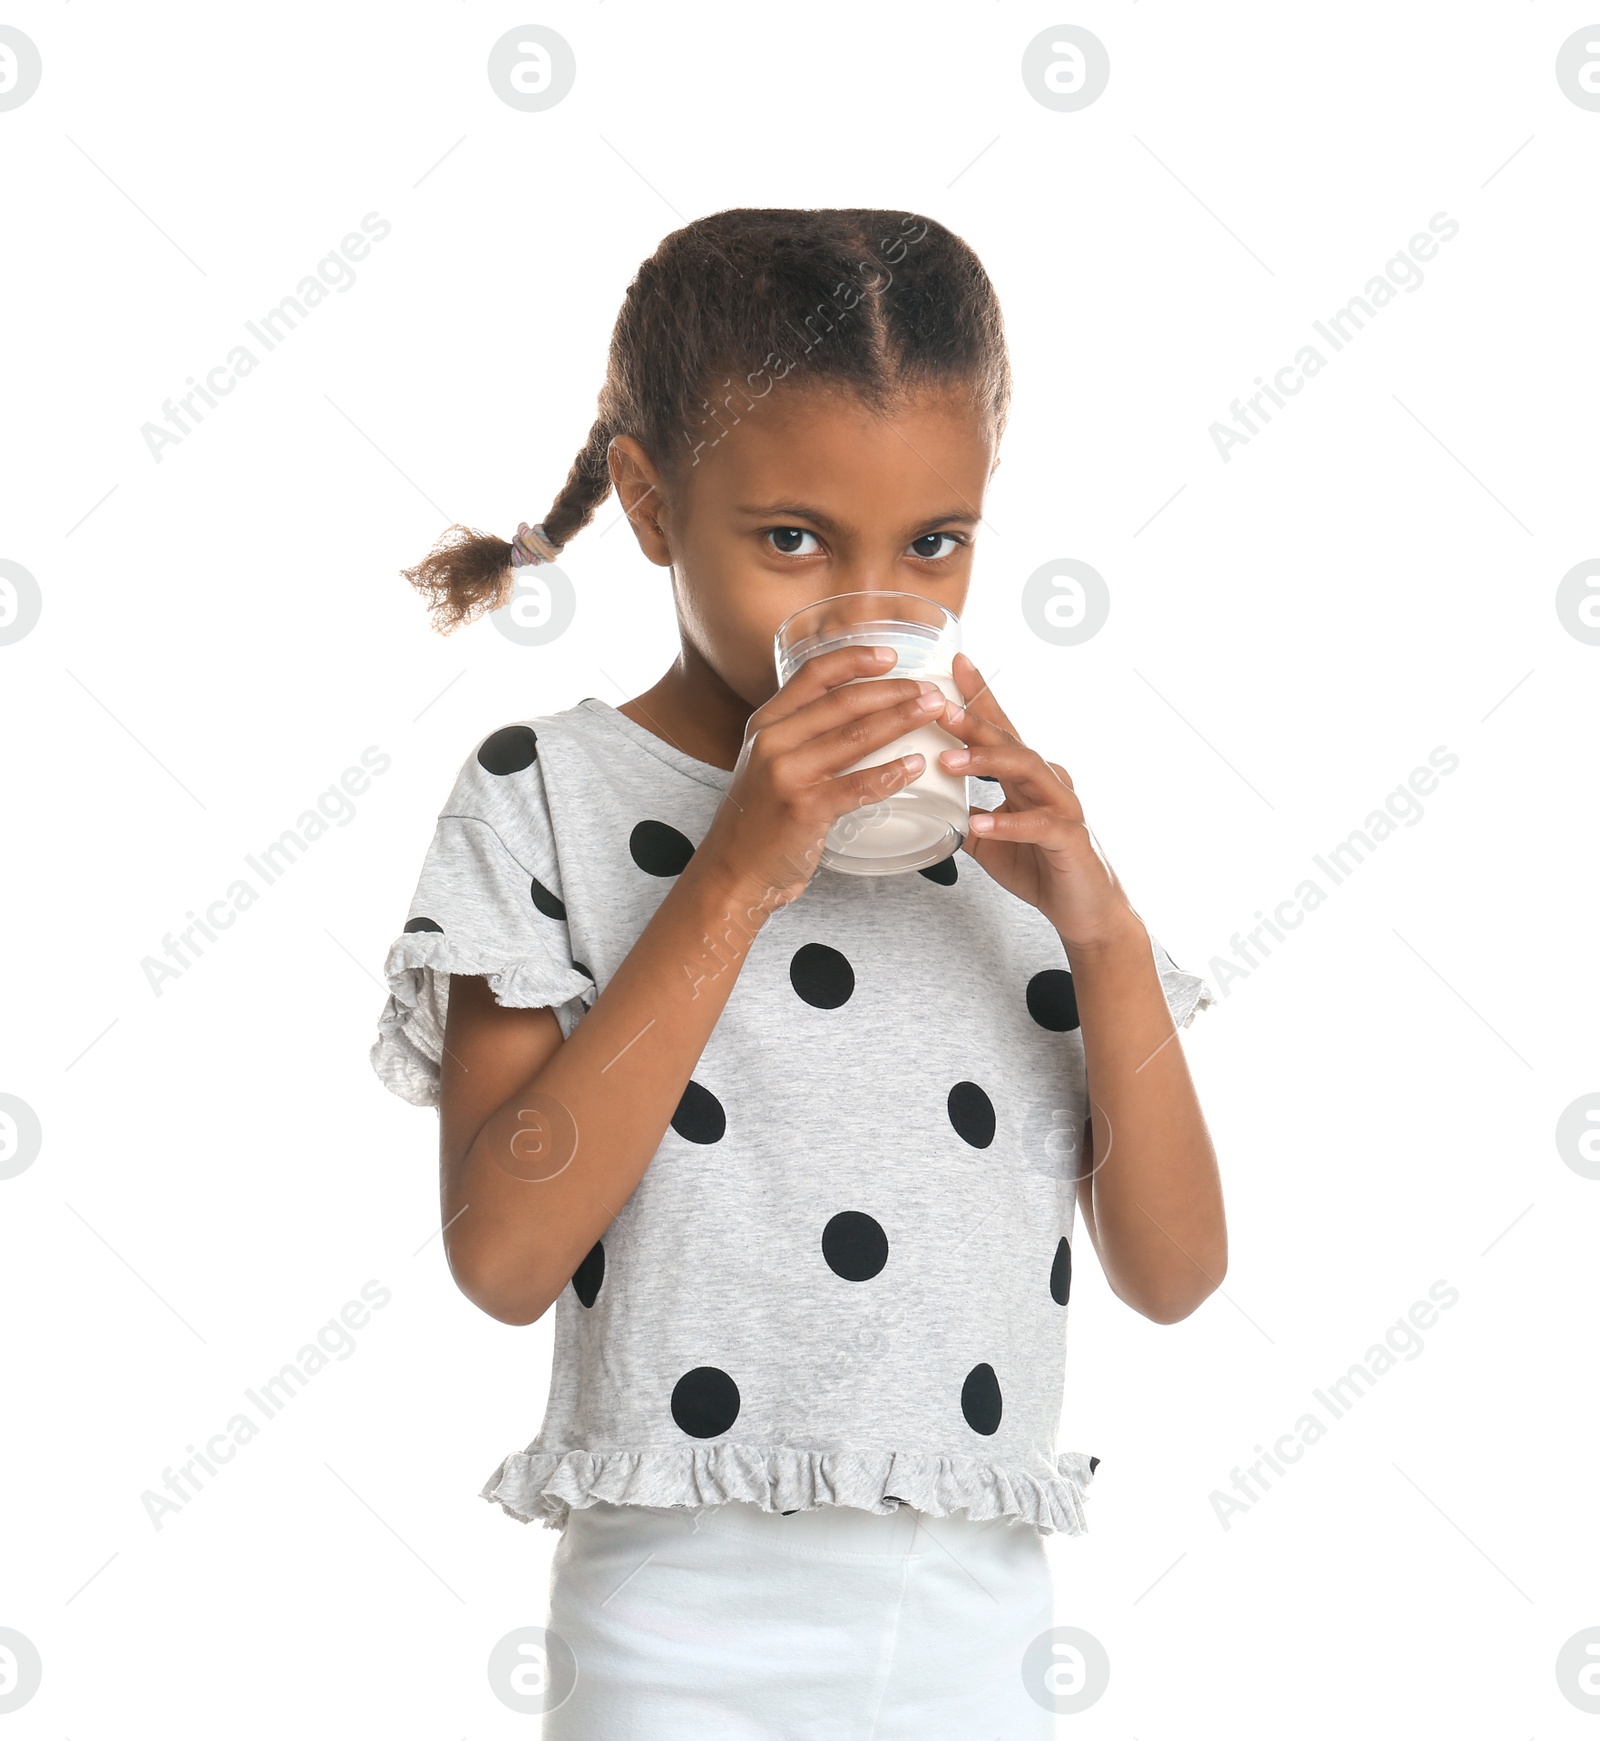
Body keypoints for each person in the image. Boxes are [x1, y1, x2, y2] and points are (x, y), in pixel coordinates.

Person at [371, 207, 1225, 1738]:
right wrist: (741, 868)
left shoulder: (1008, 834)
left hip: (970, 1623)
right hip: (670, 1625)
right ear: (648, 501)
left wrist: (1099, 928)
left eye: (935, 544)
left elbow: (1175, 1272)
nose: (870, 597)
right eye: (791, 539)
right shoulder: (540, 794)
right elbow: (501, 1255)